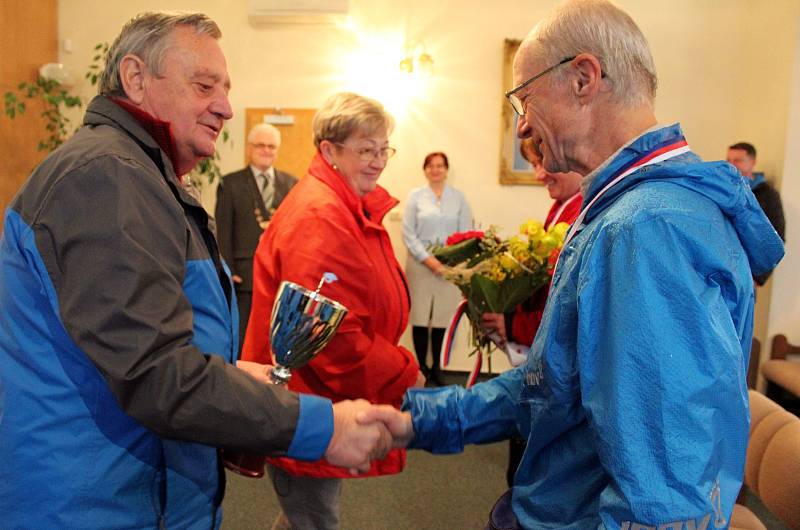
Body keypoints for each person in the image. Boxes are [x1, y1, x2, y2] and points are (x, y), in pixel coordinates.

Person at [362, 1, 785, 527]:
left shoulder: (645, 229)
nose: (520, 130)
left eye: (523, 100)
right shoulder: (632, 213)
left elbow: (659, 501)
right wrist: (422, 420)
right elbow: (555, 381)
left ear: (584, 79)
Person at [0, 13, 392, 529]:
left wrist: (226, 378)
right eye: (204, 85)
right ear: (136, 79)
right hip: (90, 503)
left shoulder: (138, 174)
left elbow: (138, 340)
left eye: (225, 89)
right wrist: (320, 427)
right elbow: (154, 374)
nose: (226, 107)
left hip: (131, 490)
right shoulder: (105, 176)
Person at [242, 92, 424, 530]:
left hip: (312, 399)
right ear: (329, 150)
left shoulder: (338, 202)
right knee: (314, 517)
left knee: (304, 514)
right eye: (366, 150)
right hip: (307, 399)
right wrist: (401, 371)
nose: (379, 161)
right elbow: (331, 339)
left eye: (384, 149)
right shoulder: (321, 214)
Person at [481, 137, 583, 488]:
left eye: (544, 163)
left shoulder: (577, 212)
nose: (539, 175)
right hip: (535, 358)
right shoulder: (561, 206)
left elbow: (562, 307)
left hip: (551, 369)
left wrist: (512, 324)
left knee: (532, 476)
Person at [215, 123, 298, 352]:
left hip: (281, 274)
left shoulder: (292, 184)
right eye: (260, 145)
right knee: (244, 336)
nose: (266, 150)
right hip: (244, 273)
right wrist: (228, 268)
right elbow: (223, 228)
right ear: (249, 149)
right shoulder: (230, 183)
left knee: (276, 337)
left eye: (271, 146)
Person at [402, 151, 473, 386]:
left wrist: (448, 262)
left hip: (449, 267)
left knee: (443, 318)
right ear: (425, 169)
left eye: (440, 166)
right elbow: (408, 233)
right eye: (431, 166)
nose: (436, 170)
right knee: (420, 318)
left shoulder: (458, 197)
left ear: (446, 169)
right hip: (420, 266)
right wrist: (429, 260)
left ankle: (438, 369)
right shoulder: (415, 196)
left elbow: (466, 232)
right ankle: (421, 367)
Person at [726, 141, 786, 285]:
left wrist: (757, 278)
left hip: (747, 275)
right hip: (722, 272)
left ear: (752, 162)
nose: (731, 165)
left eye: (738, 160)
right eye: (728, 160)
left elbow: (776, 237)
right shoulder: (723, 190)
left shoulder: (768, 195)